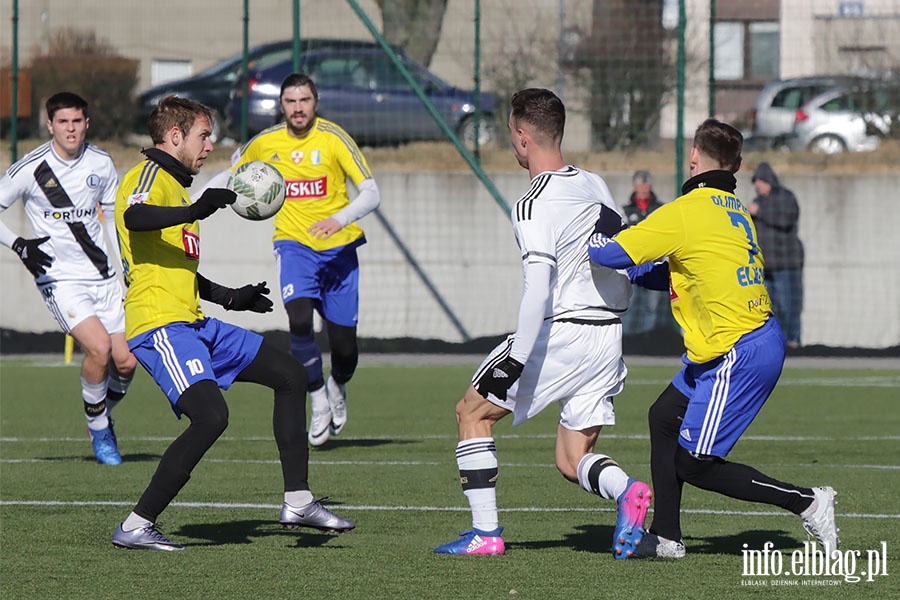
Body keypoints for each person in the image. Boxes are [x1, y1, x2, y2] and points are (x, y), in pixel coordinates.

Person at [111, 95, 354, 551]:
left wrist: (229, 296)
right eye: (204, 136)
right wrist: (196, 209)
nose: (210, 146)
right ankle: (136, 524)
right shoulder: (147, 176)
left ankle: (298, 500)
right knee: (211, 417)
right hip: (160, 327)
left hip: (195, 322)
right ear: (175, 135)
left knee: (291, 375)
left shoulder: (177, 189)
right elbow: (134, 216)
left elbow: (174, 266)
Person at [587, 118, 838, 559]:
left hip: (739, 349)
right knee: (663, 417)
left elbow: (610, 251)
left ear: (693, 159)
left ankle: (809, 501)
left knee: (694, 462)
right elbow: (682, 272)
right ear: (738, 166)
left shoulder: (687, 210)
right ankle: (666, 536)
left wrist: (580, 232)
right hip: (735, 342)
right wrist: (636, 270)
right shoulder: (735, 210)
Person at [433, 88, 652, 559]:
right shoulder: (595, 183)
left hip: (564, 330)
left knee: (471, 412)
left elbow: (538, 287)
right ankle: (627, 490)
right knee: (571, 460)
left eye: (513, 136)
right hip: (608, 338)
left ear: (522, 135)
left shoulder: (532, 203)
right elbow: (621, 252)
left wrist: (515, 357)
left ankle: (485, 533)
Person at [225, 72, 381, 447]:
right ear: (281, 105)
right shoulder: (265, 143)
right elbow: (235, 173)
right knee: (298, 320)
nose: (298, 108)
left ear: (316, 102)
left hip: (340, 250)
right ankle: (317, 399)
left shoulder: (333, 138)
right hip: (293, 245)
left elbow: (371, 193)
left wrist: (338, 219)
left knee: (345, 351)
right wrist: (197, 201)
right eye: (290, 102)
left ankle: (336, 385)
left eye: (304, 100)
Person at [0, 92, 136, 465]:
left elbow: (113, 220)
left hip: (105, 278)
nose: (70, 129)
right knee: (99, 350)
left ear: (87, 123)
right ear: (50, 125)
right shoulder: (31, 168)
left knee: (126, 362)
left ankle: (98, 411)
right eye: (63, 122)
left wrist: (125, 266)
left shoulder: (102, 163)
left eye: (77, 121)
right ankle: (99, 430)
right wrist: (19, 245)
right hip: (60, 279)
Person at [749, 162, 803, 348]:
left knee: (789, 304)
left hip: (786, 263)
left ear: (767, 181)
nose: (756, 186)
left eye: (759, 182)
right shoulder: (759, 201)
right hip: (765, 266)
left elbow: (787, 219)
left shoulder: (785, 197)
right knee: (770, 308)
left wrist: (759, 212)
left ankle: (792, 340)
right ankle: (777, 342)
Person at [619, 170, 669, 336]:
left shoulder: (660, 209)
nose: (644, 188)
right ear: (634, 186)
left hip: (654, 265)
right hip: (632, 265)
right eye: (640, 184)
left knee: (652, 306)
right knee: (629, 303)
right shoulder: (626, 210)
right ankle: (626, 338)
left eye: (646, 184)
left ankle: (649, 338)